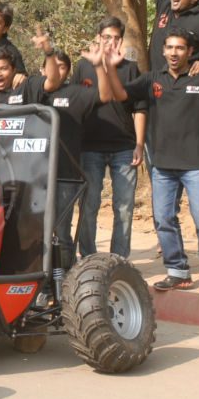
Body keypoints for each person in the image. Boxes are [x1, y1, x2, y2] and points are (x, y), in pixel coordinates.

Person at [105, 25, 199, 300]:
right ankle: (177, 270)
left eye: (180, 48)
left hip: (197, 164)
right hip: (163, 166)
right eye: (169, 48)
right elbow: (119, 95)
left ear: (190, 52)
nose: (174, 53)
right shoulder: (153, 79)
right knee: (164, 219)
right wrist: (109, 68)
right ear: (163, 51)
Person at [71, 17, 148, 258]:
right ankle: (89, 258)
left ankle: (119, 259)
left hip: (124, 147)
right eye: (106, 37)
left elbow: (140, 108)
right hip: (89, 147)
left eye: (116, 38)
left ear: (121, 41)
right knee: (89, 205)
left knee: (124, 207)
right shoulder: (83, 67)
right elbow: (73, 105)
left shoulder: (130, 68)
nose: (111, 42)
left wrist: (139, 144)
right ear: (98, 38)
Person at [41, 45, 111, 261]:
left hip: (66, 174)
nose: (57, 71)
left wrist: (99, 65)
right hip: (36, 175)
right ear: (43, 69)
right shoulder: (34, 90)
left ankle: (66, 275)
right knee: (37, 232)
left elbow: (105, 95)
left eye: (63, 67)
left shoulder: (76, 92)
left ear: (69, 71)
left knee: (62, 232)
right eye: (53, 66)